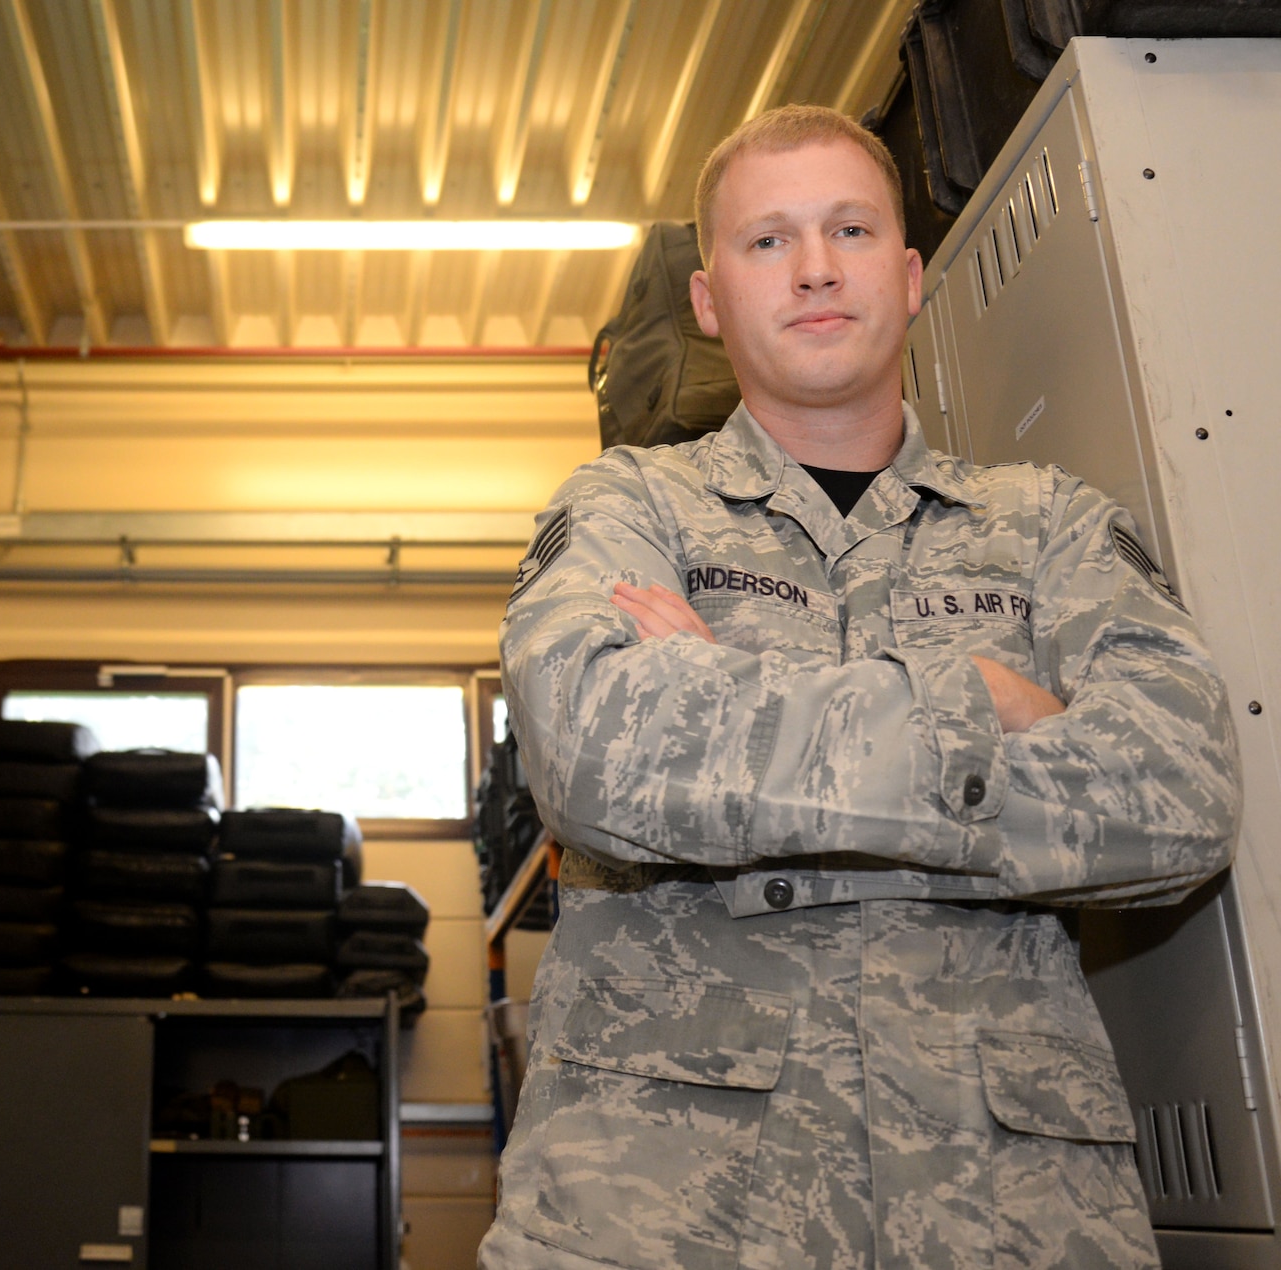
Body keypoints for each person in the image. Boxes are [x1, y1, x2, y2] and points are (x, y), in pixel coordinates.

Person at [479, 105, 1241, 1270]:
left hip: (1004, 1212)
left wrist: (725, 698)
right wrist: (984, 699)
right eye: (766, 241)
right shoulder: (625, 505)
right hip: (664, 1204)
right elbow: (595, 752)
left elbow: (1177, 793)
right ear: (707, 299)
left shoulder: (1046, 524)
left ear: (906, 273)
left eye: (847, 228)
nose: (816, 268)